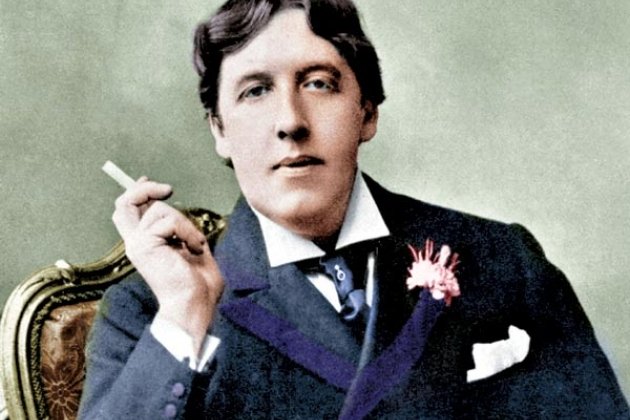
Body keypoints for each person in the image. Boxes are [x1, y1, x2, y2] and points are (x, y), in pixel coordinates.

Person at [78, 0, 629, 418]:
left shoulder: (502, 259)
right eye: (255, 91)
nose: (290, 121)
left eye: (319, 84)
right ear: (219, 131)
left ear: (367, 112)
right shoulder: (151, 312)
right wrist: (184, 315)